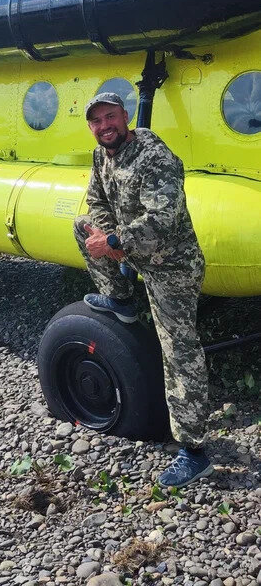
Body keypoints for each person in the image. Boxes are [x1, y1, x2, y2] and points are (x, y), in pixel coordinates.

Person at [73, 92, 213, 488]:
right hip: (133, 251)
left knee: (179, 351)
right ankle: (120, 297)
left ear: (125, 116)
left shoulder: (154, 156)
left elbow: (164, 219)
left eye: (111, 117)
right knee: (83, 226)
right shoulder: (102, 155)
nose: (105, 126)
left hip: (171, 265)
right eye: (97, 120)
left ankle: (194, 451)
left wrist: (116, 241)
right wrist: (107, 237)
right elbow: (97, 200)